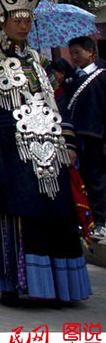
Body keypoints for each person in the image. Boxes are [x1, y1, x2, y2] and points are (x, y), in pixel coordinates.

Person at [0, 0, 91, 306]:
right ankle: (17, 282)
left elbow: (57, 104)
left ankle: (57, 285)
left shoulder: (38, 62)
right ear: (1, 23)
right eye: (16, 19)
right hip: (11, 148)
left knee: (56, 211)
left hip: (49, 147)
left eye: (27, 19)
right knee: (18, 210)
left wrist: (67, 142)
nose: (23, 25)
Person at [66, 35, 106, 241]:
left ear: (90, 52)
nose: (74, 57)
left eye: (77, 52)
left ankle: (101, 221)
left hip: (96, 135)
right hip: (76, 137)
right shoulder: (72, 79)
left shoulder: (102, 76)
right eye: (71, 53)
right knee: (81, 180)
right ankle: (85, 220)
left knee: (97, 179)